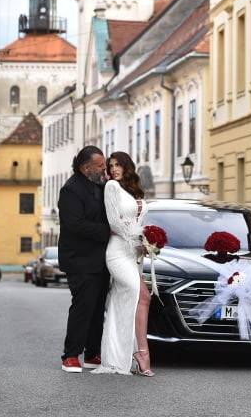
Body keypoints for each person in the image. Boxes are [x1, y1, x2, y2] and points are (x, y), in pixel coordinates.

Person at [91, 151, 154, 377]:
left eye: (118, 165)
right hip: (118, 251)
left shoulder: (134, 191)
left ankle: (127, 354)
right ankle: (142, 353)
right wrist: (137, 239)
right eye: (111, 166)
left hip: (133, 254)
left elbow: (140, 221)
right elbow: (114, 222)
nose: (114, 169)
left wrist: (148, 243)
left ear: (127, 166)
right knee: (141, 295)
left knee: (137, 299)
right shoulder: (111, 188)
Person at [58, 145, 110, 373]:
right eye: (100, 166)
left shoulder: (100, 186)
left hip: (100, 260)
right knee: (83, 306)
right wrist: (109, 231)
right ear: (85, 167)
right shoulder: (71, 190)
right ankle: (70, 355)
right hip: (79, 260)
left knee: (98, 308)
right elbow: (74, 224)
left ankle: (92, 353)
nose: (104, 169)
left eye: (104, 165)